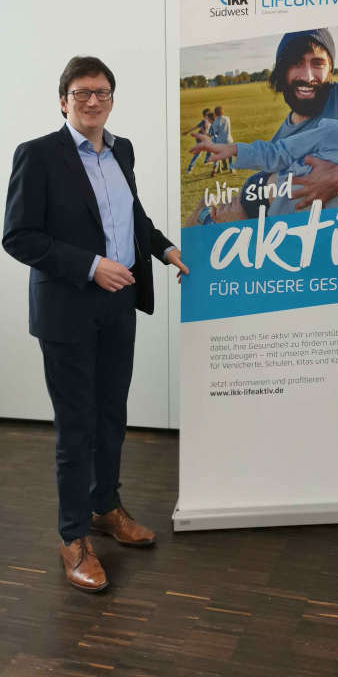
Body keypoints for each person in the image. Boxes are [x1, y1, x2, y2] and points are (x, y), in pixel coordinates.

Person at [3, 55, 189, 593]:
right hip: (68, 312)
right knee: (76, 426)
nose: (92, 100)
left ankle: (104, 507)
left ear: (111, 98)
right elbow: (19, 237)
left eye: (102, 92)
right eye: (82, 92)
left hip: (119, 305)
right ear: (64, 100)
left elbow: (131, 215)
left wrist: (164, 248)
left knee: (112, 415)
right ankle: (72, 538)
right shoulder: (37, 156)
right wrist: (90, 266)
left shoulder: (121, 150)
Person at [186, 28, 338, 223]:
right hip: (264, 195)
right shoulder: (280, 139)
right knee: (202, 214)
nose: (307, 75)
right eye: (296, 63)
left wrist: (334, 178)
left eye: (317, 63)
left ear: (330, 70)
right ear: (282, 72)